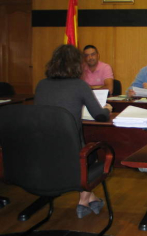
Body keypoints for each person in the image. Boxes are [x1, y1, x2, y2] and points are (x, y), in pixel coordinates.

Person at [35, 44, 113, 219]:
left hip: (44, 153)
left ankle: (90, 199)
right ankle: (83, 201)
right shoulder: (79, 85)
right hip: (74, 156)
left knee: (77, 150)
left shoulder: (41, 85)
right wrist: (107, 108)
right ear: (77, 64)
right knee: (92, 153)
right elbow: (100, 116)